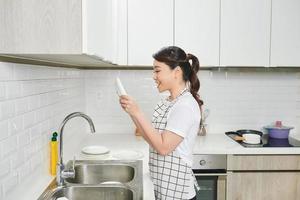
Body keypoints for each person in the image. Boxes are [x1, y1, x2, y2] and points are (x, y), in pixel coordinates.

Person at [119, 46, 203, 200]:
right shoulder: (168, 102)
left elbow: (164, 147)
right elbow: (152, 139)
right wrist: (132, 113)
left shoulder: (185, 105)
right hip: (163, 188)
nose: (153, 76)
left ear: (176, 72)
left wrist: (138, 112)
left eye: (157, 71)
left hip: (177, 194)